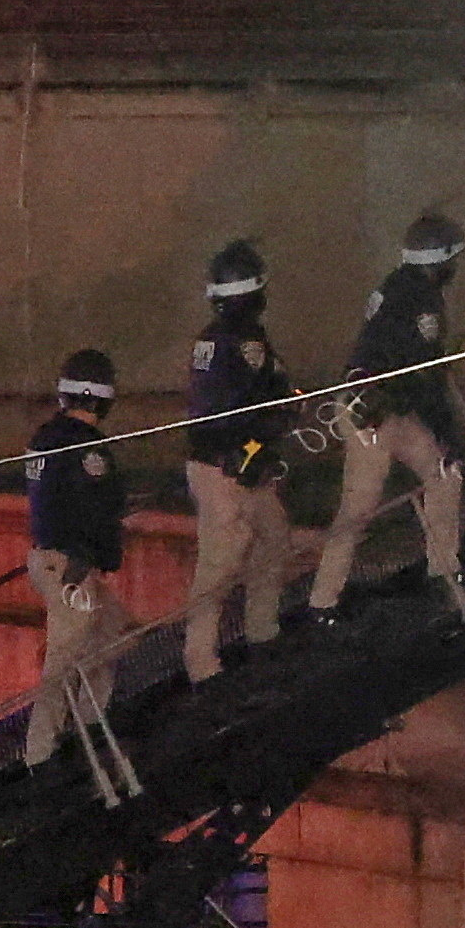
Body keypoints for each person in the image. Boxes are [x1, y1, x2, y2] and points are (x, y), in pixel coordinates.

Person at [314, 209, 465, 627]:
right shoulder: (423, 303)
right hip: (371, 415)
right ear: (439, 262)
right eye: (452, 260)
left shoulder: (396, 286)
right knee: (358, 508)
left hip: (389, 408)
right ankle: (323, 602)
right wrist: (447, 434)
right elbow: (425, 378)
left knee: (443, 474)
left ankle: (443, 569)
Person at [176, 245, 300, 681]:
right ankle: (201, 663)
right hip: (227, 466)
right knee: (219, 565)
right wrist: (275, 418)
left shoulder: (216, 338)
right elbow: (244, 404)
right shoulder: (242, 341)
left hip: (240, 461)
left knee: (274, 536)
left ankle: (262, 631)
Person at [21, 353, 134, 798]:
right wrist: (97, 551)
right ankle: (40, 755)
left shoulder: (47, 435)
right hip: (71, 566)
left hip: (52, 560)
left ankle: (89, 721)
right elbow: (93, 505)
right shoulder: (87, 447)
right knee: (63, 659)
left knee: (110, 628)